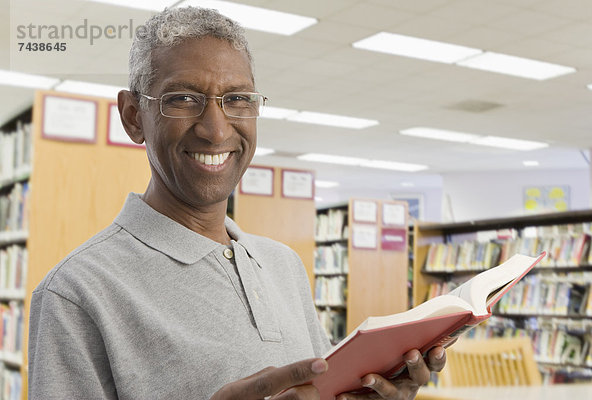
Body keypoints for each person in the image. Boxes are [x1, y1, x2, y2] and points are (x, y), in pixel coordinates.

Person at [28, 6, 446, 400]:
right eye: (183, 99)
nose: (215, 130)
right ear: (134, 116)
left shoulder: (282, 264)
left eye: (238, 99)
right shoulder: (75, 292)